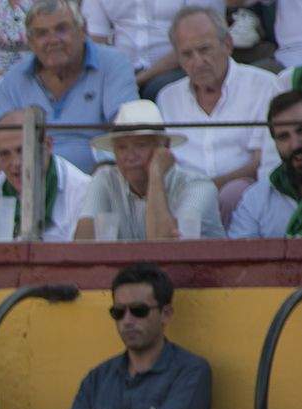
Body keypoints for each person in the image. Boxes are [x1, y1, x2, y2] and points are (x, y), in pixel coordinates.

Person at [156, 7, 283, 225]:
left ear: (227, 45)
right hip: (183, 197)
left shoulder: (263, 85)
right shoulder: (168, 97)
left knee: (232, 194)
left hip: (240, 195)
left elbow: (260, 162)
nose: (198, 61)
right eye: (187, 54)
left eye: (204, 49)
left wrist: (207, 189)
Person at [0, 0, 138, 170]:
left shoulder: (113, 64)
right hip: (32, 178)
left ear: (82, 31)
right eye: (42, 33)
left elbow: (126, 131)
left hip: (98, 177)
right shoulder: (13, 80)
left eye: (61, 29)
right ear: (30, 42)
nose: (53, 40)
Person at [68, 262, 213, 409]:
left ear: (166, 314)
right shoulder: (96, 379)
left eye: (139, 310)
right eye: (118, 312)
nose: (127, 321)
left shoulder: (190, 372)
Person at [74, 98, 224, 240]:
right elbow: (82, 242)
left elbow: (166, 248)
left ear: (164, 147)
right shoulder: (106, 179)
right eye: (122, 148)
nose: (130, 156)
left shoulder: (198, 187)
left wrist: (156, 175)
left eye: (141, 145)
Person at [0, 104, 93, 239]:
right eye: (5, 154)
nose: (15, 162)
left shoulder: (84, 191)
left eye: (22, 150)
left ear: (48, 145)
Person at [230, 88, 302, 238]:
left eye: (301, 130)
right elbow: (241, 252)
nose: (295, 144)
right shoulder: (256, 199)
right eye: (283, 137)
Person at [82, 0, 187, 98]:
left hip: (173, 68)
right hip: (121, 70)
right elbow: (96, 42)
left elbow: (192, 41)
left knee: (156, 90)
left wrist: (136, 80)